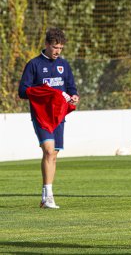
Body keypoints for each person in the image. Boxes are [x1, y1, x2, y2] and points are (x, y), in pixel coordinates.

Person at [18, 28, 79, 209]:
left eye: (60, 48)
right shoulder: (34, 65)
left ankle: (46, 197)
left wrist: (74, 96)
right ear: (46, 45)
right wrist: (46, 93)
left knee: (53, 155)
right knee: (48, 150)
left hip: (58, 116)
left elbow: (71, 87)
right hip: (41, 116)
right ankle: (48, 196)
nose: (58, 51)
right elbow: (23, 91)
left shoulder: (64, 65)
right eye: (55, 47)